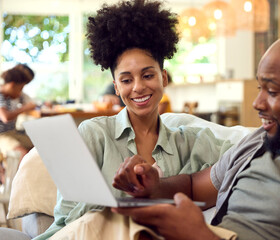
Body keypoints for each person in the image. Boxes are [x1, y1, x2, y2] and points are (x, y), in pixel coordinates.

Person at [110, 31, 280, 240]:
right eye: (259, 87)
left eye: (271, 91)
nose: (257, 103)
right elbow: (195, 187)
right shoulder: (259, 140)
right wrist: (155, 186)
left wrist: (199, 236)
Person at [28, 1, 232, 239]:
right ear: (116, 87)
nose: (138, 87)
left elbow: (242, 161)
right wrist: (120, 198)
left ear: (163, 78)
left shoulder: (193, 142)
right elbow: (68, 219)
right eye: (126, 80)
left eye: (148, 75)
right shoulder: (94, 133)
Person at [0, 64, 36, 159]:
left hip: (12, 132)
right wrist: (23, 108)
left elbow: (32, 103)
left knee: (39, 146)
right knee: (21, 154)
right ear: (12, 85)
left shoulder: (13, 96)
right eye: (20, 88)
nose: (21, 92)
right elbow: (5, 117)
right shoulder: (1, 95)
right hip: (1, 135)